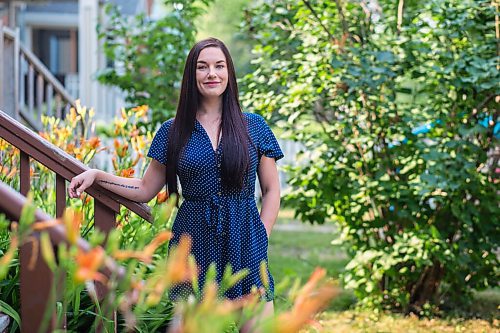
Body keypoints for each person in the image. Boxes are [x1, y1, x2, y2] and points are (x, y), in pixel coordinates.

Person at [68, 38, 283, 331]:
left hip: (244, 238)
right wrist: (97, 175)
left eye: (219, 66)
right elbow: (145, 188)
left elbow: (271, 190)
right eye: (202, 67)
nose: (212, 74)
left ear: (229, 73)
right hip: (193, 241)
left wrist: (262, 235)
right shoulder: (173, 131)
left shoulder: (253, 126)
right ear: (191, 75)